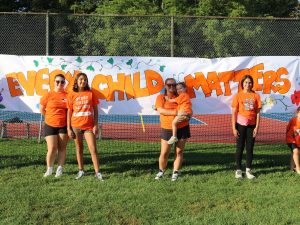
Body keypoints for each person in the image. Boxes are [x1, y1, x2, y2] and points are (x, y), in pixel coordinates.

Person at [67, 72, 103, 181]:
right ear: (77, 82)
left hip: (89, 127)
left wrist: (95, 125)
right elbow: (69, 111)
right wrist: (68, 128)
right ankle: (81, 170)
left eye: (85, 79)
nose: (83, 81)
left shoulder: (91, 93)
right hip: (75, 126)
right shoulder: (71, 94)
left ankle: (97, 172)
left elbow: (96, 111)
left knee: (93, 149)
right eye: (81, 79)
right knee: (79, 148)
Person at [154, 78, 191, 181]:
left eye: (174, 85)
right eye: (169, 85)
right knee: (164, 153)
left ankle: (175, 172)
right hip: (167, 128)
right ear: (165, 86)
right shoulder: (161, 97)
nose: (172, 87)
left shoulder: (181, 95)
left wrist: (189, 115)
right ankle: (161, 171)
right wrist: (177, 112)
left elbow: (189, 109)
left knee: (179, 152)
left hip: (183, 127)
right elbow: (161, 110)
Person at [231, 75, 261, 179]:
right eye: (245, 82)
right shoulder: (238, 96)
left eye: (249, 82)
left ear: (252, 84)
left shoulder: (256, 96)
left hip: (251, 126)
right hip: (240, 125)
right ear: (242, 84)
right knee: (239, 148)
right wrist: (234, 128)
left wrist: (257, 127)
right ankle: (238, 170)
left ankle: (248, 170)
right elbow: (234, 112)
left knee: (250, 148)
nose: (247, 84)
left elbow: (258, 113)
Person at [40, 74, 68, 178]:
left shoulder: (67, 95)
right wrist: (50, 118)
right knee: (52, 148)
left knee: (62, 148)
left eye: (62, 82)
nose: (60, 83)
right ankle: (49, 169)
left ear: (64, 83)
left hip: (63, 125)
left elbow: (69, 111)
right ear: (54, 82)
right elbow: (42, 109)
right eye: (58, 81)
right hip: (50, 125)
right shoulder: (48, 95)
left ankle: (59, 169)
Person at [286, 106, 300, 174]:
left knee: (294, 153)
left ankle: (291, 169)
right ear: (297, 113)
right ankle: (298, 168)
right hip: (291, 139)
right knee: (296, 151)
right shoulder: (293, 120)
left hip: (298, 140)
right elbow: (288, 129)